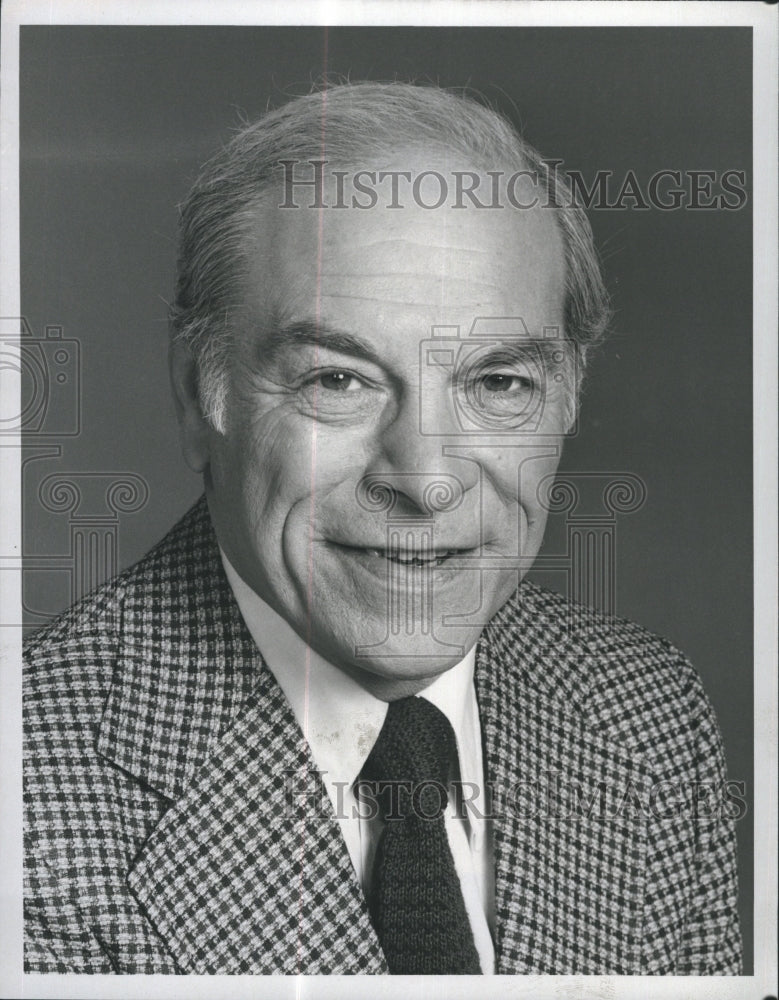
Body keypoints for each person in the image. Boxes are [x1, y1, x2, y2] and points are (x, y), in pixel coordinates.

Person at [23, 81, 741, 975]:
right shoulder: (30, 802)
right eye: (337, 380)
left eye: (497, 384)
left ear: (566, 397)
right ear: (197, 393)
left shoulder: (647, 718)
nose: (425, 479)